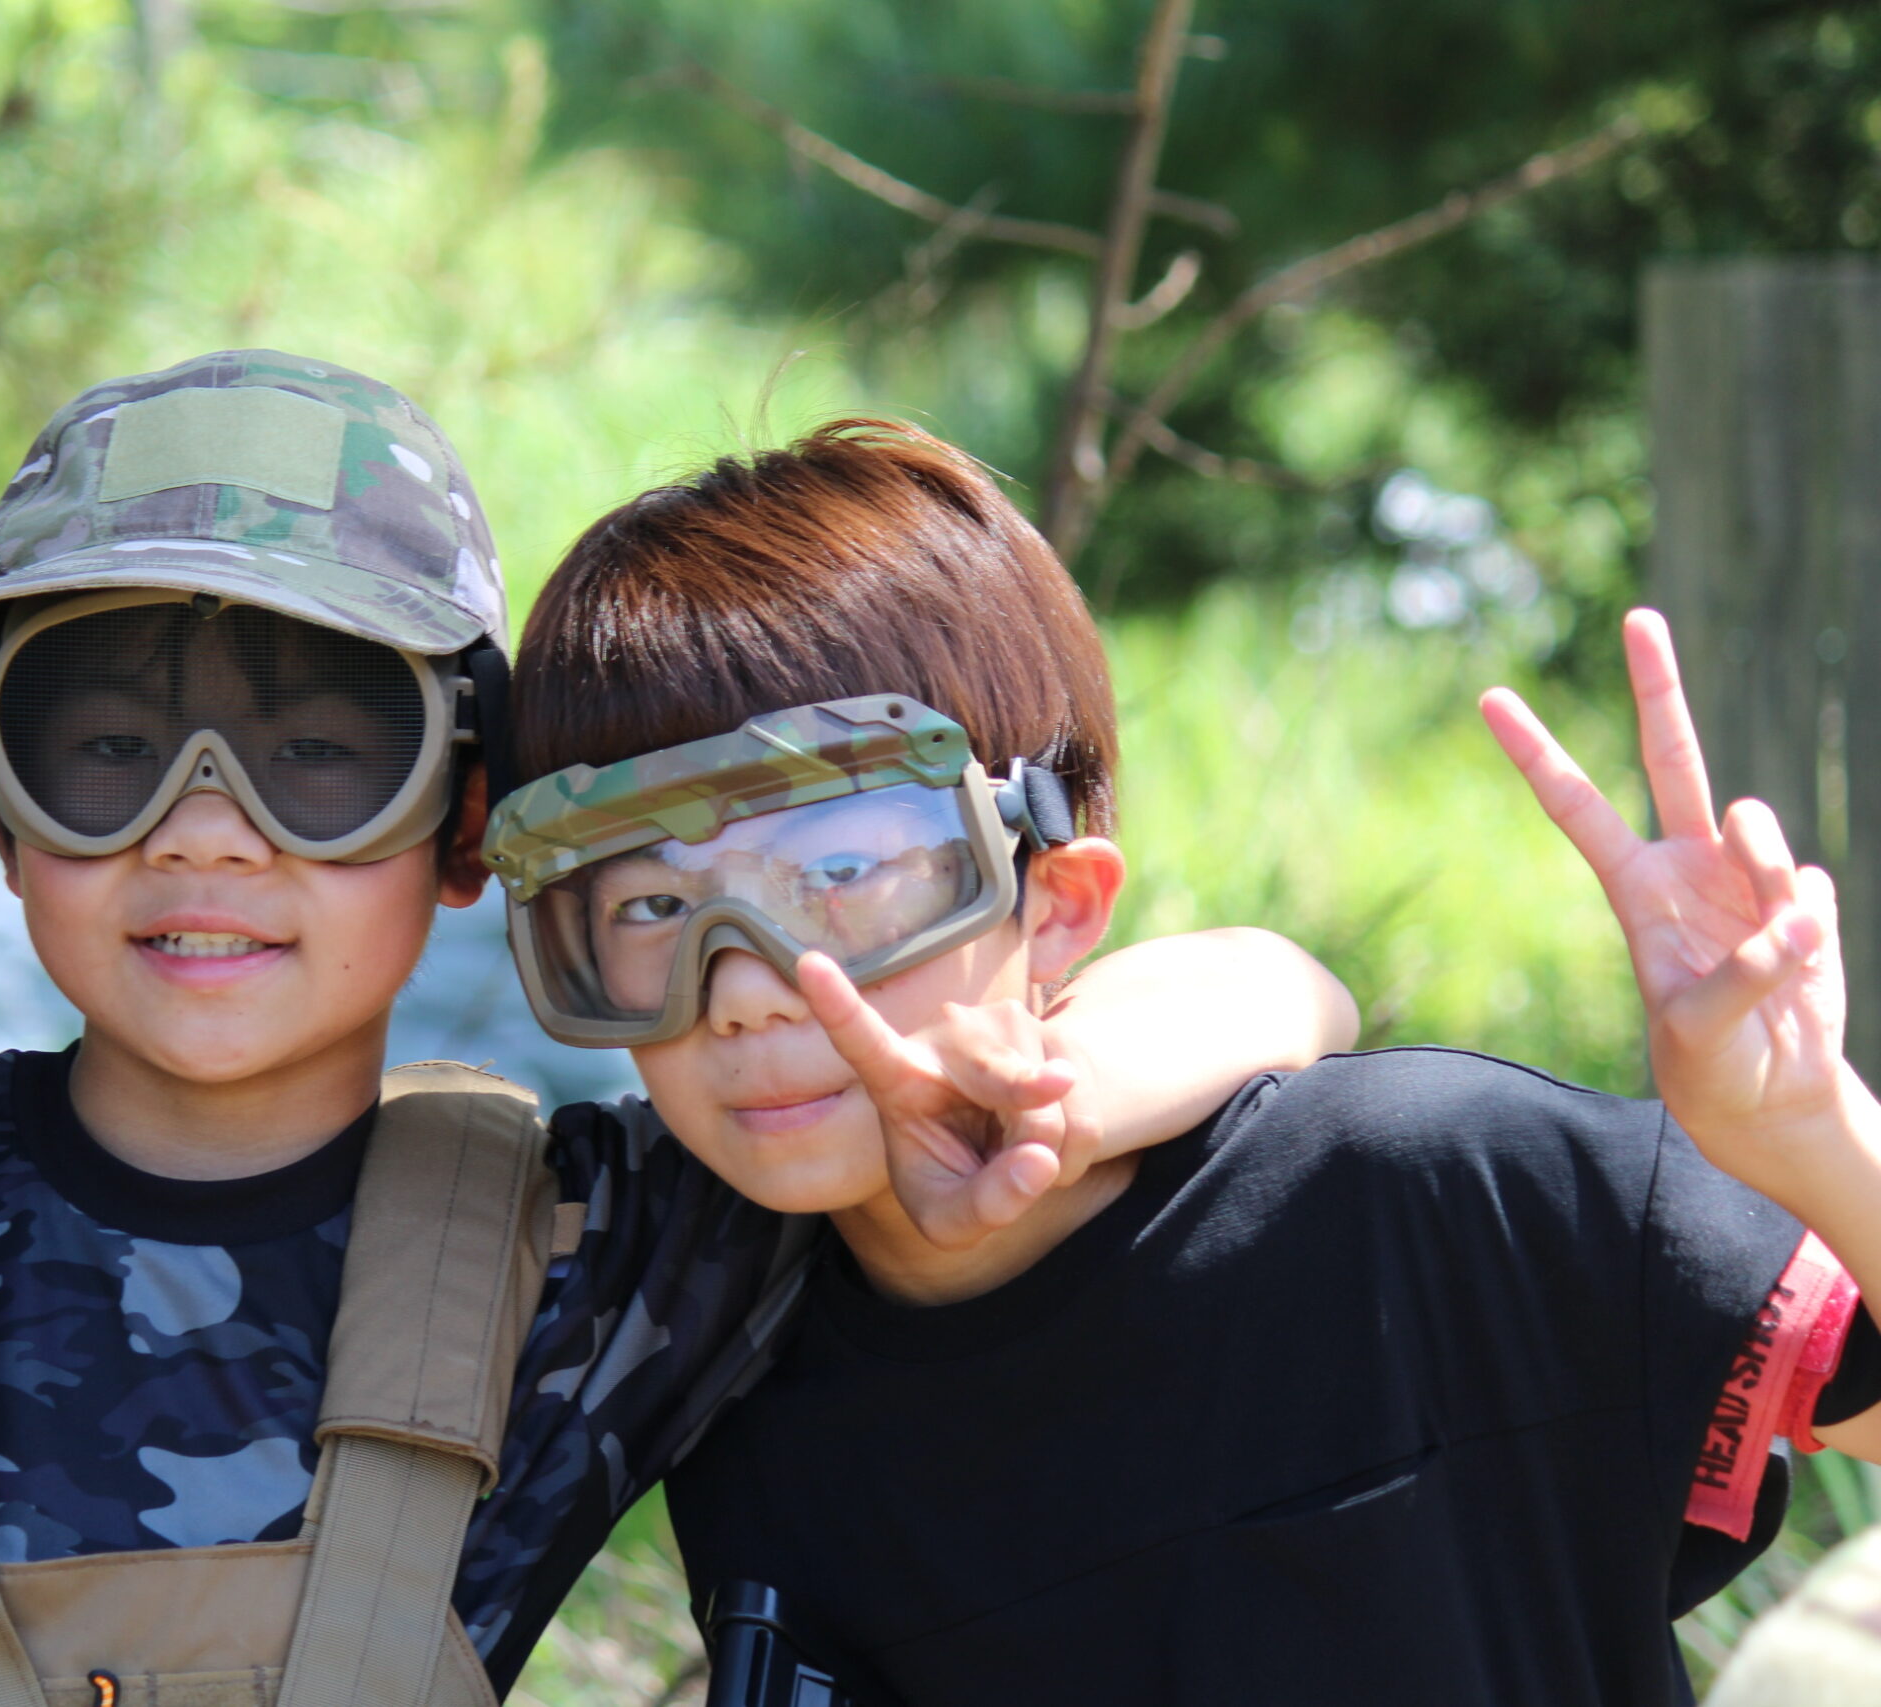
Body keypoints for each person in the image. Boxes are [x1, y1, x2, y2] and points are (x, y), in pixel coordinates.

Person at [0, 355, 1352, 1707]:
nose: (205, 827)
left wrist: (1044, 1082)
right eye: (105, 744)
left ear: (465, 832)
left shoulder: (609, 1252)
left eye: (319, 753)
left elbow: (1283, 989)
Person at [488, 416, 1881, 1706]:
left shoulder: (1420, 1199)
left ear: (1056, 904)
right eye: (650, 907)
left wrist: (1809, 1135)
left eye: (840, 871)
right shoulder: (712, 1362)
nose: (740, 992)